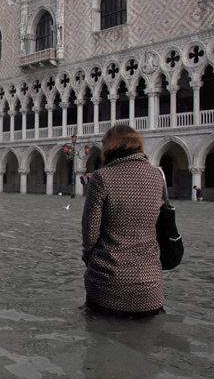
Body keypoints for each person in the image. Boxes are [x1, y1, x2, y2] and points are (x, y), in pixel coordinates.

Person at [82, 125, 165, 318]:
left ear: (109, 146)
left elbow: (90, 232)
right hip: (150, 289)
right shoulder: (156, 176)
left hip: (108, 285)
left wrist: (90, 261)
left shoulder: (102, 177)